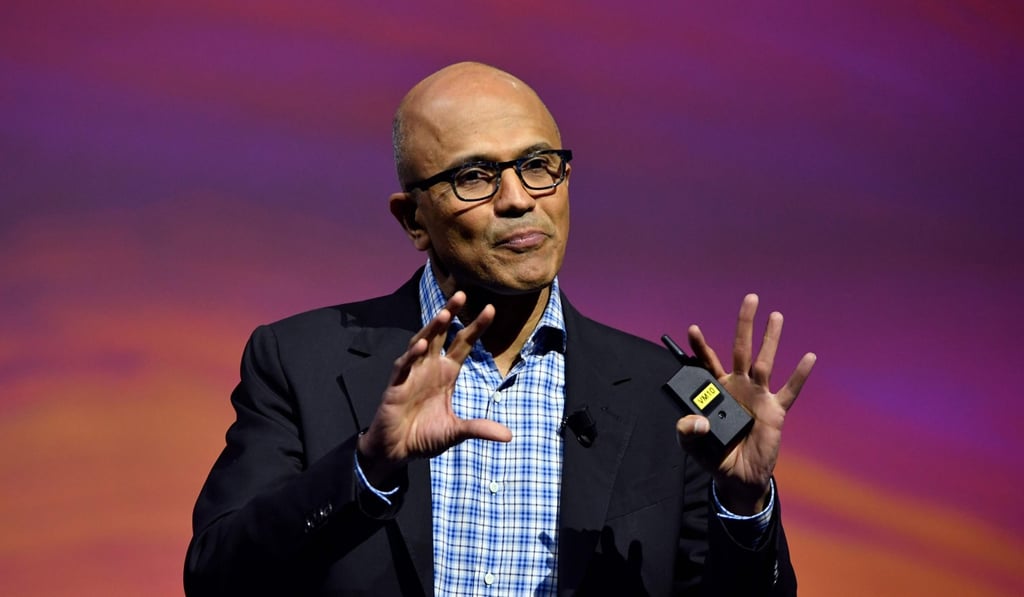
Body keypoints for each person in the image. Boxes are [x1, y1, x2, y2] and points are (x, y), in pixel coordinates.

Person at [184, 61, 816, 596]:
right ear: (413, 220)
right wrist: (368, 468)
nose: (519, 198)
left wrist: (746, 504)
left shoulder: (672, 396)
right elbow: (216, 576)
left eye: (540, 165)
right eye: (475, 176)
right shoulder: (300, 361)